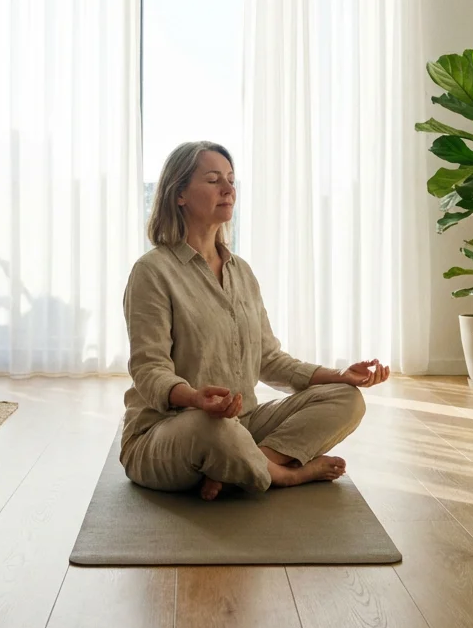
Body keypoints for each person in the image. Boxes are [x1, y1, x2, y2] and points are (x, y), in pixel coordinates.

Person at [121, 141, 390, 501]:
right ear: (180, 194)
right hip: (170, 431)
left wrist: (339, 375)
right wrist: (196, 399)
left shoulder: (241, 272)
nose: (229, 189)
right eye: (214, 180)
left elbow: (269, 359)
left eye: (231, 180)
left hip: (241, 426)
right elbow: (149, 370)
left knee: (346, 399)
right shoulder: (152, 271)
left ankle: (250, 463)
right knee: (214, 430)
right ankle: (283, 475)